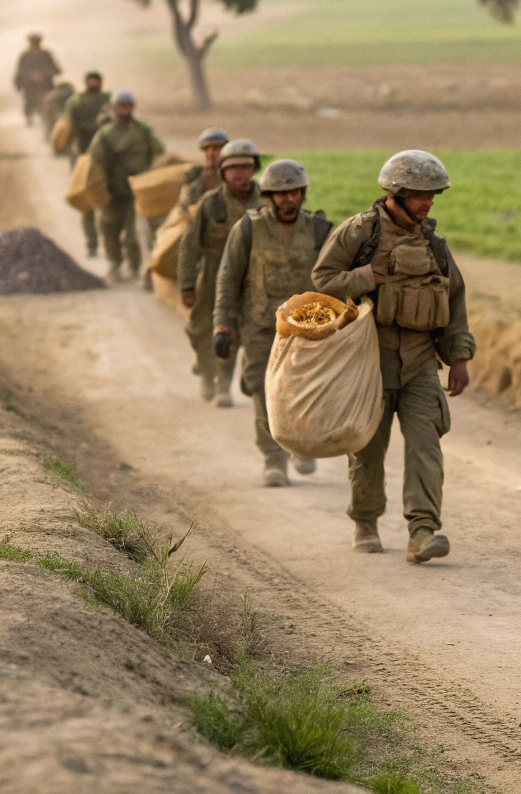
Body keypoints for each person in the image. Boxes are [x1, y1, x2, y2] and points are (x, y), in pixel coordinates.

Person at [312, 150, 476, 564]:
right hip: (371, 361)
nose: (429, 203)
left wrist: (459, 358)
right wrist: (368, 277)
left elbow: (454, 300)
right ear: (397, 193)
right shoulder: (359, 233)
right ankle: (365, 522)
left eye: (433, 195)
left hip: (421, 363)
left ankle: (422, 532)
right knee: (368, 448)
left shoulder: (434, 245)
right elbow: (321, 283)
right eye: (422, 195)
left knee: (426, 448)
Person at [213, 159, 332, 486]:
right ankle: (274, 459)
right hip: (260, 327)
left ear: (303, 193)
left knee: (305, 391)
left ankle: (302, 446)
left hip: (308, 330)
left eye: (294, 192)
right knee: (264, 391)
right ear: (268, 196)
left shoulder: (320, 230)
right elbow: (228, 279)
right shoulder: (248, 229)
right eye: (280, 194)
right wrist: (222, 325)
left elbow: (337, 279)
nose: (288, 200)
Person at [178, 139, 262, 407]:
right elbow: (189, 246)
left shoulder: (266, 200)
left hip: (253, 275)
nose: (240, 173)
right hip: (213, 274)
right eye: (233, 167)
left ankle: (224, 385)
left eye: (246, 167)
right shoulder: (211, 203)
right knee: (199, 329)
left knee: (235, 331)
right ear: (223, 171)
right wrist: (187, 284)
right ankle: (206, 372)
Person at [87, 92, 164, 283]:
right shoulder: (105, 134)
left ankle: (134, 267)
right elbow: (94, 163)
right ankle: (114, 265)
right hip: (112, 191)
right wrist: (98, 188)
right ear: (114, 108)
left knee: (133, 234)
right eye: (121, 106)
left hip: (136, 191)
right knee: (109, 229)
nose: (125, 109)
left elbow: (160, 153)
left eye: (128, 106)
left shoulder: (143, 132)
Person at [65, 72, 113, 257]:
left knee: (107, 207)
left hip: (103, 160)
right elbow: (68, 127)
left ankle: (109, 246)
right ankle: (92, 243)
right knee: (87, 206)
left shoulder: (107, 100)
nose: (93, 83)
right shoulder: (77, 102)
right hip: (85, 158)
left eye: (96, 80)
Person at [13, 32, 60, 125]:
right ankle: (30, 119)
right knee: (30, 102)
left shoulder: (45, 54)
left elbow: (55, 69)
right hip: (31, 85)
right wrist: (28, 78)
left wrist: (42, 75)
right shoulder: (26, 55)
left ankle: (43, 119)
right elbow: (21, 71)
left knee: (44, 102)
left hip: (44, 85)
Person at [180, 128, 230, 210]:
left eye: (215, 148)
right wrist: (204, 180)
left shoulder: (232, 172)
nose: (211, 154)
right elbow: (185, 202)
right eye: (206, 150)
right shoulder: (195, 173)